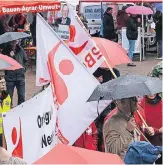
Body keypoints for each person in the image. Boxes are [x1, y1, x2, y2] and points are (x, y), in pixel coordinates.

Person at [2, 41, 27, 106]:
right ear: (9, 42)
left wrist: (24, 69)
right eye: (12, 42)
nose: (13, 43)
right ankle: (9, 112)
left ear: (17, 41)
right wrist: (9, 56)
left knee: (21, 96)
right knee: (9, 97)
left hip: (20, 77)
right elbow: (2, 63)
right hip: (10, 78)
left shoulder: (21, 50)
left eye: (15, 41)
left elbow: (25, 60)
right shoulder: (5, 51)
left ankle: (20, 111)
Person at [0, 74, 11, 147]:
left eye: (4, 82)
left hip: (5, 129)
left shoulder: (7, 96)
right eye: (1, 83)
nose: (3, 84)